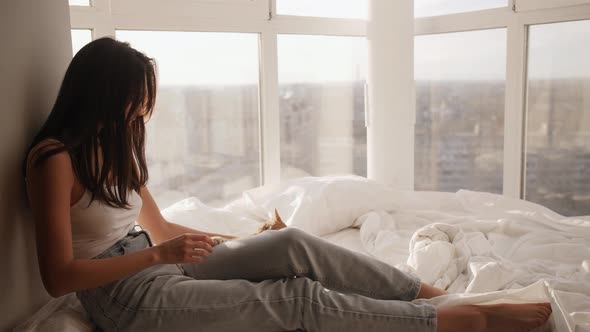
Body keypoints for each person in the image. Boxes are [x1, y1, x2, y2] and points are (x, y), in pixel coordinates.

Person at [23, 37, 551, 332]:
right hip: (122, 297)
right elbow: (58, 278)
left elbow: (158, 228)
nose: (142, 111)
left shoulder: (114, 146)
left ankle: (441, 299)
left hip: (156, 261)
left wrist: (244, 245)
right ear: (102, 93)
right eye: (135, 99)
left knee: (291, 244)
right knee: (296, 299)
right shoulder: (54, 160)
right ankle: (453, 325)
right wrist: (158, 258)